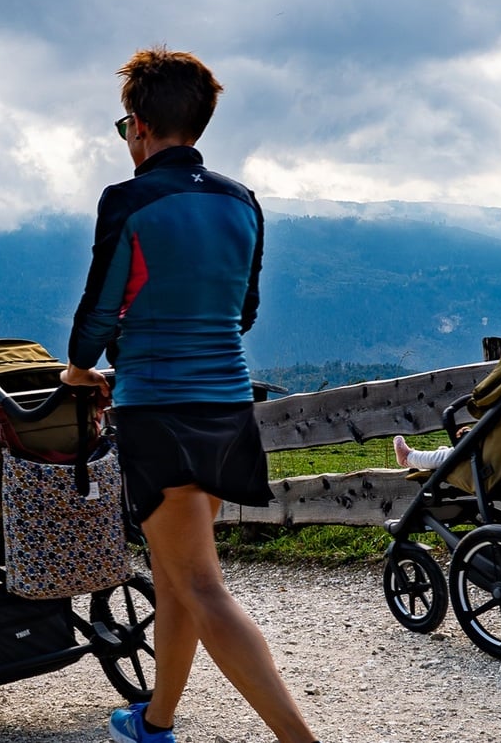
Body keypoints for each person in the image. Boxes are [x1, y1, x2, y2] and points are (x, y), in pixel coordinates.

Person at [64, 48, 321, 743]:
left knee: (202, 587)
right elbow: (244, 312)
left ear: (140, 126)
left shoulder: (130, 200)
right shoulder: (242, 201)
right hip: (228, 408)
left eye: (125, 129)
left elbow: (97, 312)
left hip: (160, 410)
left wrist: (79, 369)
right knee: (178, 575)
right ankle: (155, 721)